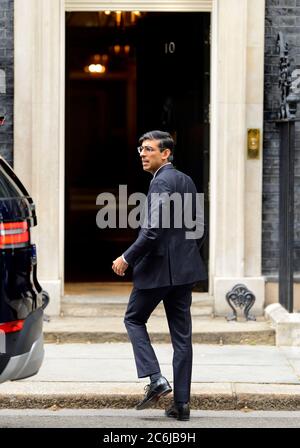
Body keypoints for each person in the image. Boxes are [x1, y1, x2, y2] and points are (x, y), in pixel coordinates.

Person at [112, 130, 207, 421]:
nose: (142, 153)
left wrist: (126, 258)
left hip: (157, 272)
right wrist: (187, 255)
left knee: (133, 318)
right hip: (184, 272)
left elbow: (152, 231)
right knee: (182, 338)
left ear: (165, 153)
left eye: (149, 149)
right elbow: (199, 226)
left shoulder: (161, 182)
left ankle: (155, 379)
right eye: (141, 149)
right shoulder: (187, 181)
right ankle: (182, 404)